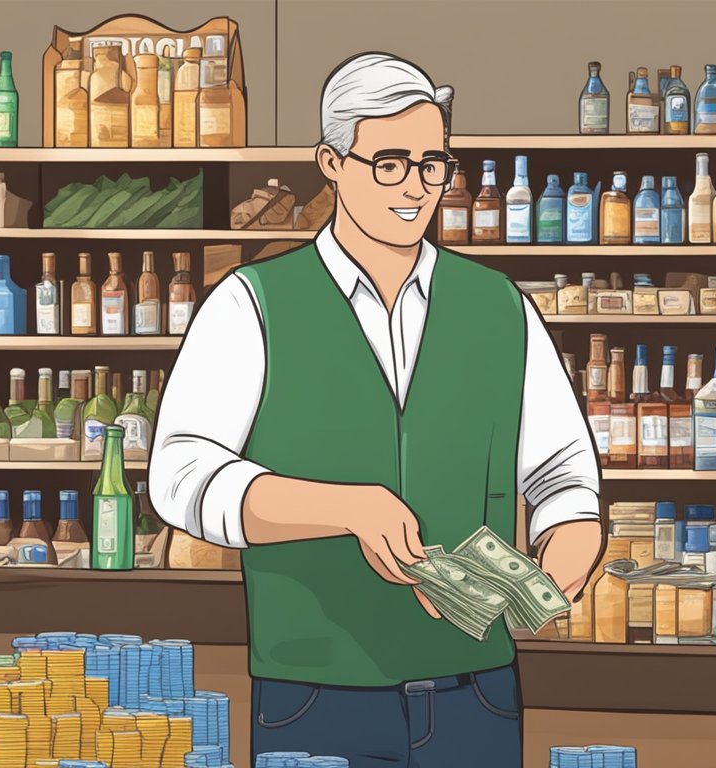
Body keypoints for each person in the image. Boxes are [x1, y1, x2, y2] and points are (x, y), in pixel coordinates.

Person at [148, 51, 603, 767]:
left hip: (475, 690)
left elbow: (562, 472)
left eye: (433, 164)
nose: (416, 187)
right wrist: (345, 509)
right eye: (389, 162)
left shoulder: (500, 308)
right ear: (331, 162)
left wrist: (568, 549)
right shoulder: (251, 305)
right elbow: (181, 475)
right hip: (316, 689)